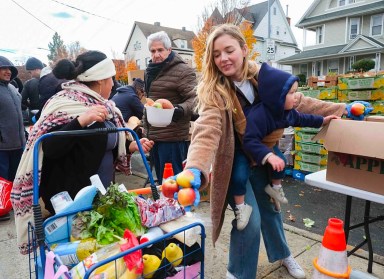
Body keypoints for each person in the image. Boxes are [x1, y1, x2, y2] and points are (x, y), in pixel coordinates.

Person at [175, 24, 364, 279]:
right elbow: (207, 128)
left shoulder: (265, 78)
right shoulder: (215, 91)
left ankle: (283, 254)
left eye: (229, 50)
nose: (223, 58)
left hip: (266, 156)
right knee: (249, 221)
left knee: (272, 208)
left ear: (243, 49)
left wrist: (341, 108)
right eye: (217, 54)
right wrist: (196, 167)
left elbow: (299, 103)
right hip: (235, 164)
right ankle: (239, 274)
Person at [11, 50, 154, 254]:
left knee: (101, 259)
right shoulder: (64, 103)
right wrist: (80, 121)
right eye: (111, 79)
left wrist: (132, 146)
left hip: (99, 199)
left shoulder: (105, 106)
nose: (113, 84)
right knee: (77, 260)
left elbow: (101, 147)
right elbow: (50, 148)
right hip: (71, 205)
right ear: (101, 80)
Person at [229, 63, 339, 230]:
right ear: (277, 96)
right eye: (292, 93)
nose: (296, 97)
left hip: (262, 145)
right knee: (239, 176)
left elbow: (303, 119)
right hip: (243, 148)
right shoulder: (260, 116)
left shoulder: (287, 112)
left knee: (281, 162)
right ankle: (241, 208)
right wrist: (268, 155)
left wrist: (323, 120)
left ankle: (275, 188)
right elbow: (249, 141)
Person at [143, 31, 197, 183]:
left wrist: (176, 110)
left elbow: (196, 100)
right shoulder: (150, 71)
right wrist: (144, 127)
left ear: (169, 50)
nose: (156, 54)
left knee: (174, 184)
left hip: (172, 138)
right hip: (154, 137)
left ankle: (179, 207)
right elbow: (150, 102)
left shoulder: (183, 71)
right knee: (162, 184)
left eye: (160, 50)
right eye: (153, 51)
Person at [0, 56, 26, 222]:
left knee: (15, 176)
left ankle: (11, 204)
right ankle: (1, 210)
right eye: (3, 68)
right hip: (1, 145)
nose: (8, 71)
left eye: (10, 69)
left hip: (17, 143)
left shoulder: (12, 88)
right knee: (1, 178)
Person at [21, 57, 44, 123]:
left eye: (30, 72)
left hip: (35, 116)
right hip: (51, 116)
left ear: (36, 69)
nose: (31, 75)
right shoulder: (53, 79)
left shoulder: (29, 83)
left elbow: (22, 101)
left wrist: (31, 106)